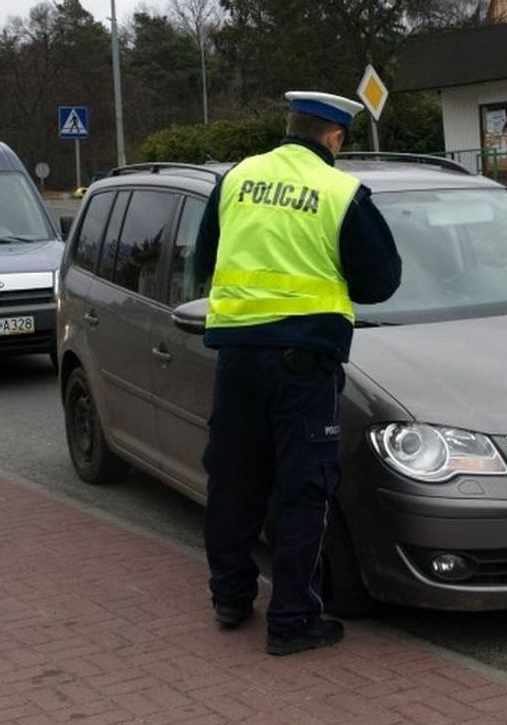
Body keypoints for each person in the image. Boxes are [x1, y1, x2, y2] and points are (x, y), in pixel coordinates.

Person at [194, 91, 401, 656]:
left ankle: (230, 599)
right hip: (303, 366)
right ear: (334, 136)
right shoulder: (341, 192)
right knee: (304, 490)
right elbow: (381, 282)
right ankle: (291, 620)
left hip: (237, 360)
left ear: (290, 126)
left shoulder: (236, 179)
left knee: (234, 482)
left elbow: (203, 262)